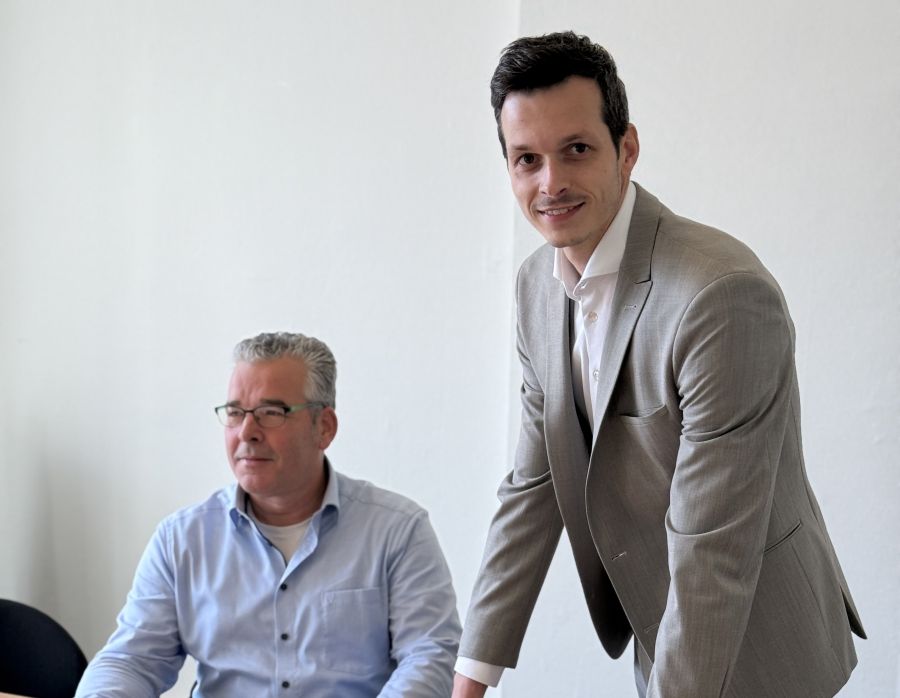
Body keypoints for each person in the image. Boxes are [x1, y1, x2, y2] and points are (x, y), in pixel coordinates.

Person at [452, 31, 865, 698]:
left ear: (627, 149)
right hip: (660, 628)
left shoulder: (719, 296)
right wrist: (470, 678)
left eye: (576, 149)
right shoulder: (535, 287)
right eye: (527, 159)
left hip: (765, 648)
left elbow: (712, 548)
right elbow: (533, 486)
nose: (550, 182)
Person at [76, 331, 461, 697]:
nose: (247, 431)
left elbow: (430, 656)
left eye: (271, 412)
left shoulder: (397, 531)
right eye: (235, 412)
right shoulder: (182, 539)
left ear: (324, 427)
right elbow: (132, 659)